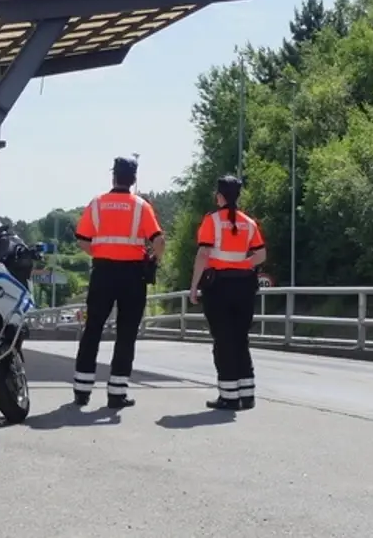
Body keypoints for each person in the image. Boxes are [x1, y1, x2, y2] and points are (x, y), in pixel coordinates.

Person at [72, 155, 166, 409]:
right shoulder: (141, 206)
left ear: (113, 176)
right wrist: (152, 260)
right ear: (133, 179)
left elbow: (82, 238)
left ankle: (82, 390)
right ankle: (116, 394)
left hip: (103, 272)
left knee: (93, 329)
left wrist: (102, 252)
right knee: (126, 333)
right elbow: (158, 241)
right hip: (133, 275)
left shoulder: (97, 203)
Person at [188, 175, 266, 411]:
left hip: (219, 286)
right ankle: (247, 394)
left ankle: (229, 396)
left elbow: (203, 255)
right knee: (240, 339)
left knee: (223, 341)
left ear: (219, 196)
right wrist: (244, 264)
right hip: (244, 286)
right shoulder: (249, 223)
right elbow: (261, 256)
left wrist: (194, 287)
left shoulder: (211, 221)